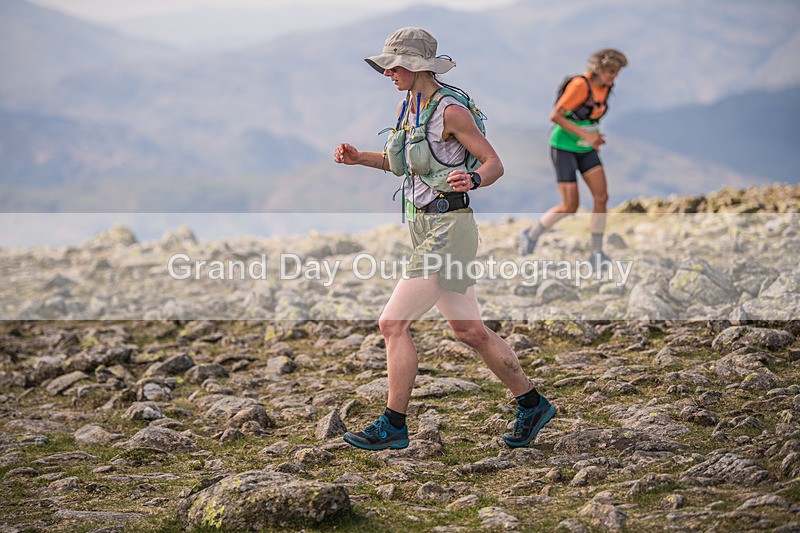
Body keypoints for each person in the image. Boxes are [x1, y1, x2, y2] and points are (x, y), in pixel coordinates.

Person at [334, 27, 555, 451]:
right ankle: (532, 403)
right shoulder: (408, 106)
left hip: (448, 230)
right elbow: (406, 166)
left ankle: (393, 425)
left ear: (417, 67)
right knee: (470, 331)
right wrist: (359, 157)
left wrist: (472, 177)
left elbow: (494, 164)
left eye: (394, 65)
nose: (387, 73)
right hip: (425, 228)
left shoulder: (451, 111)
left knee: (392, 323)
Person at [519, 49, 628, 267]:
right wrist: (586, 134)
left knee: (601, 197)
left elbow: (590, 116)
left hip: (586, 148)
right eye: (609, 71)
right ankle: (531, 234)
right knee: (570, 205)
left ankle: (596, 253)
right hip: (563, 148)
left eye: (616, 72)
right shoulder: (580, 85)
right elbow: (555, 115)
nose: (613, 76)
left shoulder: (606, 87)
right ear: (598, 68)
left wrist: (594, 136)